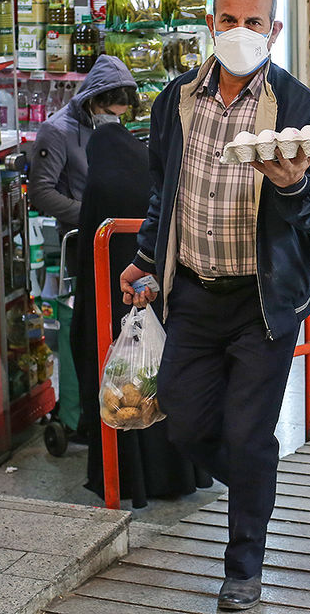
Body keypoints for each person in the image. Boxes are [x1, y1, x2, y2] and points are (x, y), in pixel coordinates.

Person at [119, 0, 310, 611]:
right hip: (190, 295)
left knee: (247, 435)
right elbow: (165, 193)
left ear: (273, 32)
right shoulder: (176, 101)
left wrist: (294, 186)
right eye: (226, 19)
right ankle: (255, 480)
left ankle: (243, 565)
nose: (237, 32)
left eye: (252, 22)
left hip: (264, 303)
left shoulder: (301, 109)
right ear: (209, 24)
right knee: (184, 424)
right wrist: (145, 260)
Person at [70, 121, 214, 507]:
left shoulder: (99, 187)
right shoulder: (150, 180)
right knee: (161, 380)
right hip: (159, 298)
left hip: (114, 297)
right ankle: (182, 472)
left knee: (123, 388)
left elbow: (88, 258)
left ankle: (126, 482)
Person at [27, 55, 137, 236]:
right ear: (91, 99)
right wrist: (91, 214)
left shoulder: (111, 124)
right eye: (108, 113)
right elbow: (41, 192)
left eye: (119, 115)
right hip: (80, 234)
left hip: (116, 230)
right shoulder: (56, 130)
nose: (113, 119)